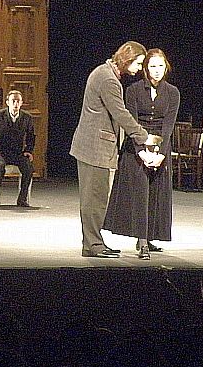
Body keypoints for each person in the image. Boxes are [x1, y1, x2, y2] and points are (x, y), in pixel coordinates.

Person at [70, 41, 151, 259]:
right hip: (95, 148)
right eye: (138, 63)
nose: (139, 69)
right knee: (94, 200)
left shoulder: (104, 73)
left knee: (93, 199)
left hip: (91, 147)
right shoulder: (108, 79)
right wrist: (143, 135)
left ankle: (92, 243)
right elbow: (120, 113)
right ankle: (93, 245)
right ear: (127, 59)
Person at [103, 48, 180, 260]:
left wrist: (161, 154)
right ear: (145, 68)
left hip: (160, 148)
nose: (157, 70)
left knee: (156, 194)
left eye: (160, 66)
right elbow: (132, 122)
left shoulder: (172, 92)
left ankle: (149, 237)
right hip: (137, 147)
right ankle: (142, 241)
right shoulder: (134, 90)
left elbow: (168, 126)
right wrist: (141, 152)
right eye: (152, 66)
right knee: (140, 194)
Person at [0, 90, 36, 207]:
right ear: (7, 102)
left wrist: (28, 150)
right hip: (2, 153)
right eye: (13, 101)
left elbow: (31, 136)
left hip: (18, 153)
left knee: (28, 168)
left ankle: (22, 199)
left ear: (21, 103)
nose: (15, 104)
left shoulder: (27, 117)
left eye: (18, 101)